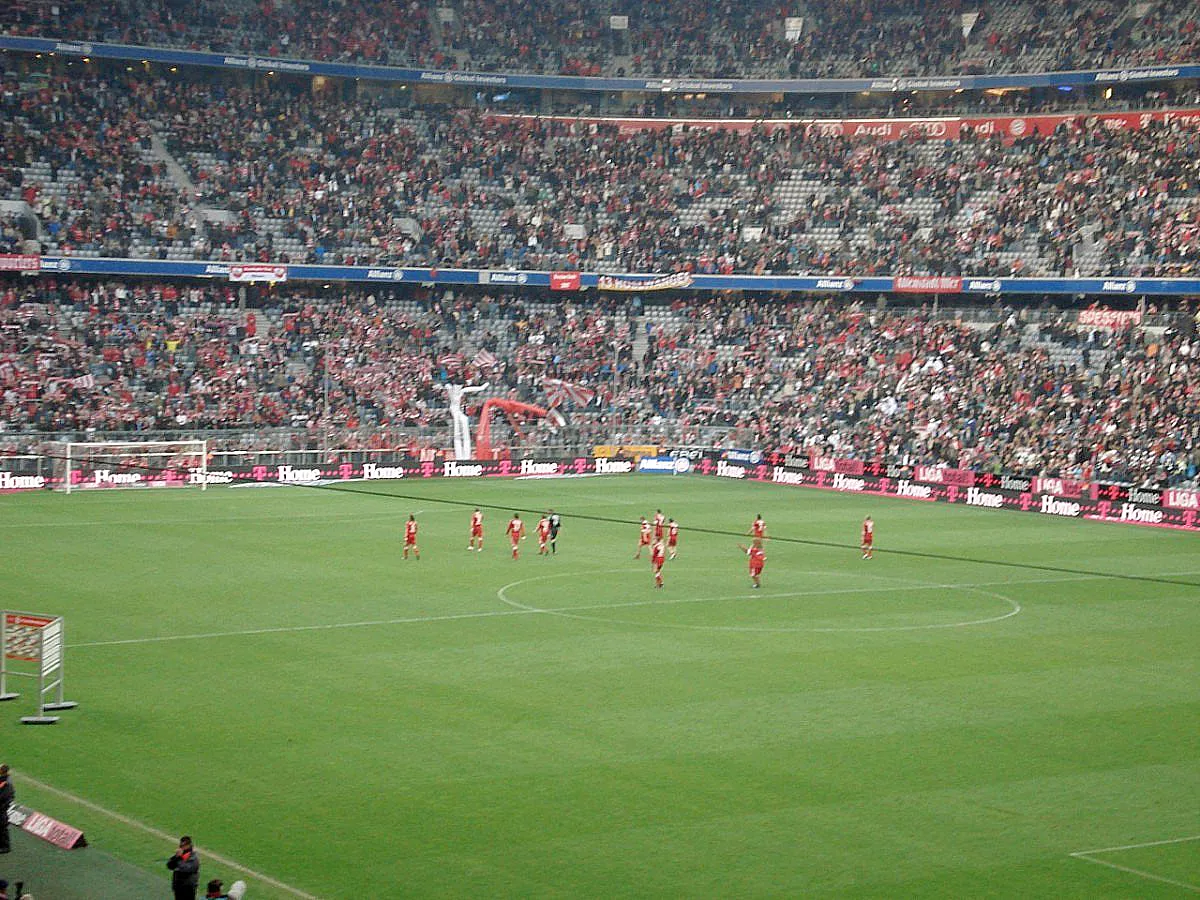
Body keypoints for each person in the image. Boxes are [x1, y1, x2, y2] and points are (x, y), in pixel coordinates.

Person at [167, 836, 200, 900]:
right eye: (181, 845)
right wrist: (176, 857)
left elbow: (186, 869)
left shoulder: (194, 858)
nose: (181, 847)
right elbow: (170, 866)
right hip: (178, 887)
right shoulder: (180, 856)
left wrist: (179, 859)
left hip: (188, 889)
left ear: (189, 845)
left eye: (183, 845)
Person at [0, 764, 13, 854]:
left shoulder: (7, 783)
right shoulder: (4, 780)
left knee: (2, 826)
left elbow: (5, 797)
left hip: (1, 808)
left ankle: (5, 847)